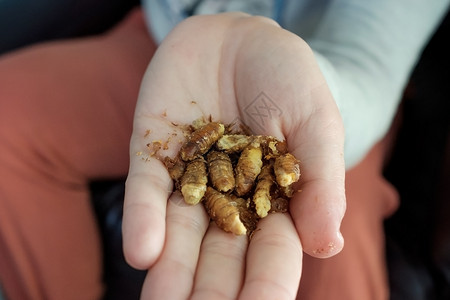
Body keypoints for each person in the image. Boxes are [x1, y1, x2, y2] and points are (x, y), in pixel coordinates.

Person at [0, 1, 448, 299]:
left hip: (332, 86)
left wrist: (319, 96)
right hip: (178, 48)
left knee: (329, 253)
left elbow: (370, 60)